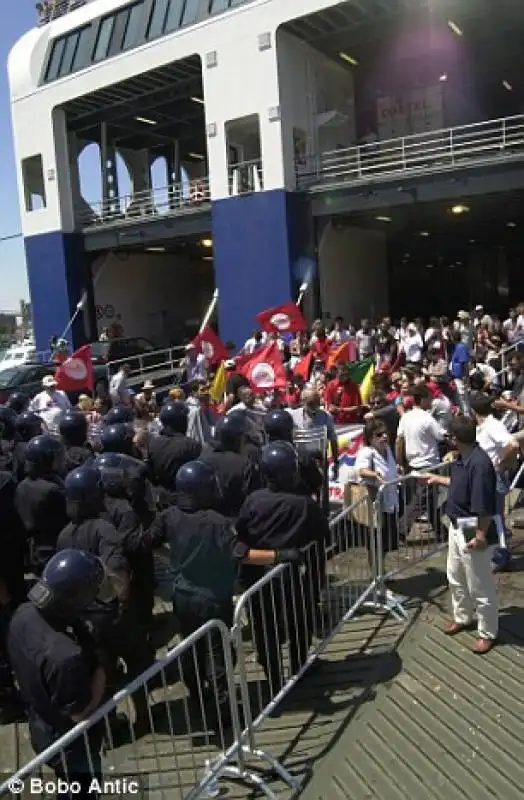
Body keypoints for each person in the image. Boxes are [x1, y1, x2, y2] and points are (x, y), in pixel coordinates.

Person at [146, 460, 301, 721]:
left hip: (182, 595)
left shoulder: (168, 516)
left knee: (192, 649)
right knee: (218, 654)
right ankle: (222, 710)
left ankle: (198, 699)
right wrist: (280, 555)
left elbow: (148, 542)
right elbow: (243, 554)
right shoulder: (217, 522)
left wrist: (173, 560)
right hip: (212, 598)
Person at [7, 550, 108, 798]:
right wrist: (101, 674)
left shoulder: (23, 614)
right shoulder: (66, 658)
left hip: (40, 723)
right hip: (70, 745)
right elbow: (78, 713)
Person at [236, 442, 330, 691]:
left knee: (265, 630)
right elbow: (324, 534)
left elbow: (242, 533)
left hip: (260, 577)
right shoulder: (303, 504)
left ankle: (274, 679)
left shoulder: (252, 500)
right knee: (300, 624)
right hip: (296, 580)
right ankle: (298, 668)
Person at [419, 415, 499, 654]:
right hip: (457, 525)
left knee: (479, 584)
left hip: (472, 529)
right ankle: (463, 617)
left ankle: (487, 632)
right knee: (455, 576)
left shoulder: (480, 464)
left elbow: (483, 505)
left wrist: (481, 535)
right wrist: (438, 479)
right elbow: (458, 483)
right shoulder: (463, 458)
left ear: (455, 438)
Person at [15, 435, 68, 573]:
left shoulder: (22, 484)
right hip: (50, 550)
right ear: (45, 460)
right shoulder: (52, 489)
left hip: (30, 551)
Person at [355, 418, 401, 563]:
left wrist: (398, 470)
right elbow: (361, 471)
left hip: (391, 502)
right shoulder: (367, 452)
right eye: (379, 434)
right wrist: (374, 474)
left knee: (386, 543)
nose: (384, 436)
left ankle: (381, 572)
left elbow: (390, 470)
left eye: (385, 433)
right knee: (375, 544)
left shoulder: (387, 449)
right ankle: (376, 577)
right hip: (376, 504)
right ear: (370, 438)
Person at [200, 413, 262, 517]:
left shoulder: (203, 458)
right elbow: (253, 501)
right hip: (234, 521)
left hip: (206, 520)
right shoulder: (244, 465)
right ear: (239, 438)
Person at [147, 401, 201, 504]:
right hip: (186, 500)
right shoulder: (191, 445)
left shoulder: (153, 443)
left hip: (161, 499)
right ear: (181, 422)